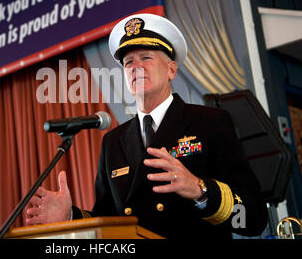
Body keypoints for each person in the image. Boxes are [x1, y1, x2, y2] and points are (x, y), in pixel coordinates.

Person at [25, 13, 268, 239]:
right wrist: (70, 217)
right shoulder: (113, 141)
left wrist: (201, 190)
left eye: (146, 57)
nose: (135, 66)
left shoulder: (210, 122)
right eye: (128, 62)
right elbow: (111, 220)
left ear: (171, 69)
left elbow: (254, 219)